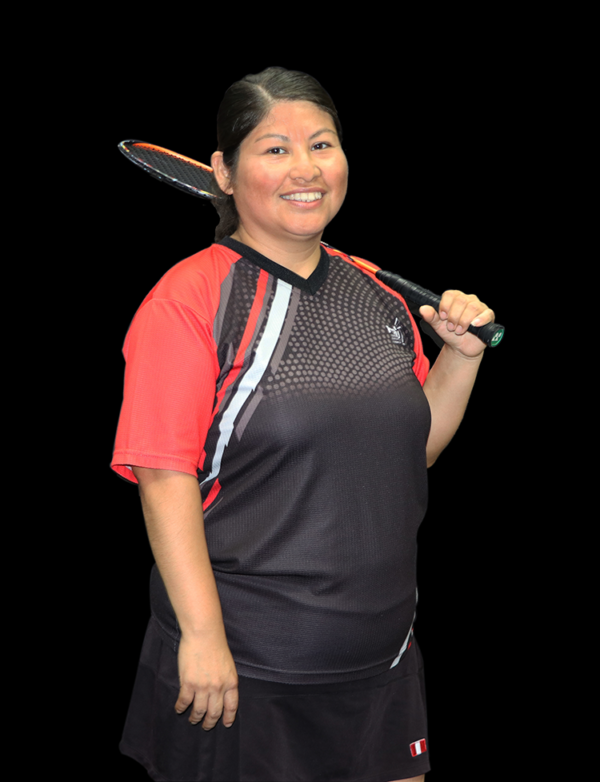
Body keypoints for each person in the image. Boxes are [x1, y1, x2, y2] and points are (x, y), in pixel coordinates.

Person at [111, 67, 495, 782]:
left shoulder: (377, 296)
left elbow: (413, 450)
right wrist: (202, 636)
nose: (306, 169)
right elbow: (164, 477)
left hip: (380, 658)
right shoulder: (190, 299)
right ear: (223, 172)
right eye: (275, 149)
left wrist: (461, 357)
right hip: (245, 668)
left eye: (322, 144)